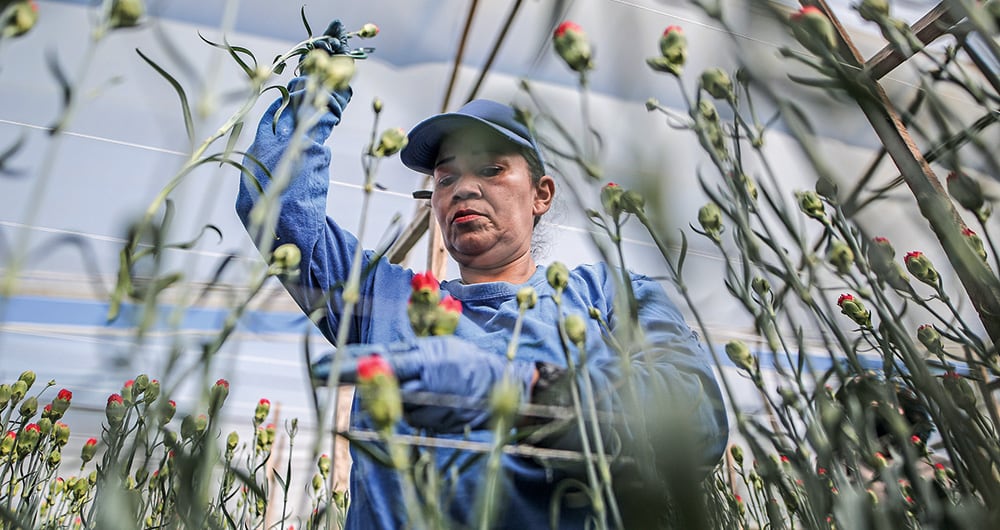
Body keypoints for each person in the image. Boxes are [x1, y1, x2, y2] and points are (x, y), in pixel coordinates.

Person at [237, 25, 728, 530]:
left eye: (491, 170)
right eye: (446, 178)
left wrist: (534, 394)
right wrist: (313, 98)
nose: (463, 189)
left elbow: (699, 425)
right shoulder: (387, 300)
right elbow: (276, 210)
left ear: (542, 194)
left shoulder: (610, 296)